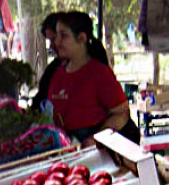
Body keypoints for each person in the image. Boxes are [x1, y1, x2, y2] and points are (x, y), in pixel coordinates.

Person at [42, 10, 134, 144]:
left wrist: (94, 140)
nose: (57, 41)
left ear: (82, 38)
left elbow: (121, 113)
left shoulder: (99, 74)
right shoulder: (57, 75)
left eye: (64, 36)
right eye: (57, 36)